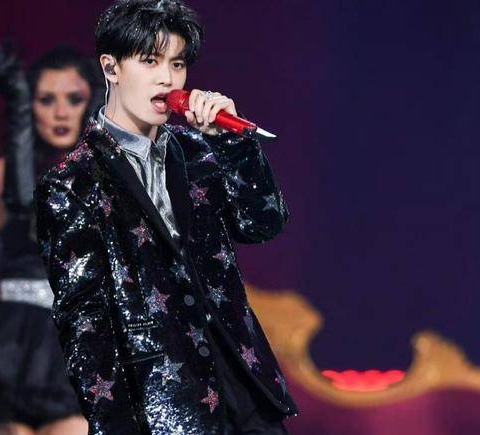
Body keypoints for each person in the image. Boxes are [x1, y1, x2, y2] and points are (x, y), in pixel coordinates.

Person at [35, 1, 299, 434]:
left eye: (177, 63)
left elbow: (263, 223)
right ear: (111, 67)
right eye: (150, 61)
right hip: (164, 404)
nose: (167, 78)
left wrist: (233, 145)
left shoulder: (198, 150)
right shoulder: (71, 184)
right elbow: (85, 327)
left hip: (245, 389)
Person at [0, 33, 102, 435]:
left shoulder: (107, 180)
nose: (61, 112)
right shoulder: (0, 175)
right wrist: (17, 115)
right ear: (28, 106)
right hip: (9, 343)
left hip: (78, 343)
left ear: (93, 103)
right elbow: (30, 210)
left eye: (74, 99)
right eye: (46, 100)